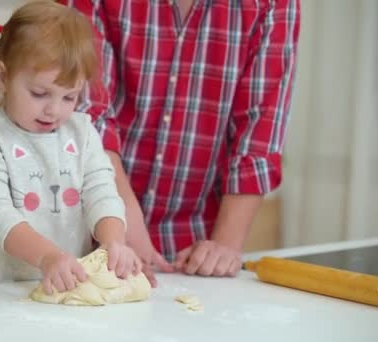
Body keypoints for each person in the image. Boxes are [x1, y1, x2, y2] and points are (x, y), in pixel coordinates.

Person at [61, 0, 301, 285]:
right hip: (79, 234)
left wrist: (223, 248)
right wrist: (120, 221)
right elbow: (86, 113)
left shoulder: (273, 4)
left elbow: (260, 132)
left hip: (192, 251)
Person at [0, 1, 141, 295]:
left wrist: (113, 241)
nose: (54, 110)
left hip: (69, 290)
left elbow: (101, 192)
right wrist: (47, 257)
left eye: (70, 97)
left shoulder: (82, 132)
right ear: (3, 77)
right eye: (40, 93)